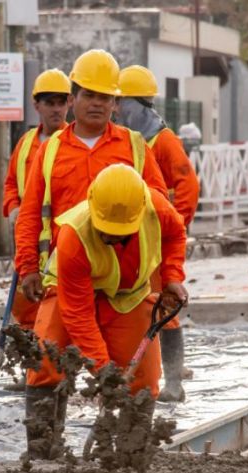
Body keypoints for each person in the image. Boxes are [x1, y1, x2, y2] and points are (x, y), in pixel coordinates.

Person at [24, 164, 188, 460]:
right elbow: (79, 316)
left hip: (128, 296)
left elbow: (176, 235)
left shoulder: (157, 209)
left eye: (121, 234)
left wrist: (172, 276)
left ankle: (129, 455)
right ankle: (42, 451)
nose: (112, 240)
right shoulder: (74, 237)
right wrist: (104, 373)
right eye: (106, 233)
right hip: (69, 292)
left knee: (144, 377)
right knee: (46, 358)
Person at [14, 49, 168, 322]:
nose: (97, 103)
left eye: (105, 97)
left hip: (122, 283)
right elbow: (30, 215)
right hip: (64, 275)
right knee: (49, 362)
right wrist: (28, 268)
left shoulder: (135, 147)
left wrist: (168, 275)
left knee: (133, 365)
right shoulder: (50, 151)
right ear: (73, 99)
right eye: (89, 95)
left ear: (115, 103)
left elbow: (160, 214)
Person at [115, 64, 201, 402]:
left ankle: (174, 382)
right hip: (127, 239)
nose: (116, 110)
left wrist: (173, 226)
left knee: (164, 304)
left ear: (137, 104)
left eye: (121, 103)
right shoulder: (126, 140)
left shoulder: (163, 141)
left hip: (158, 240)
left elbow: (187, 185)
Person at [3, 68, 71, 329]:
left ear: (69, 104)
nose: (56, 109)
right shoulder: (25, 144)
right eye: (49, 103)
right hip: (30, 239)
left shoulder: (72, 143)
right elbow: (11, 183)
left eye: (60, 103)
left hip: (60, 240)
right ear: (37, 105)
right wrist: (13, 208)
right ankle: (30, 356)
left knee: (61, 303)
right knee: (27, 302)